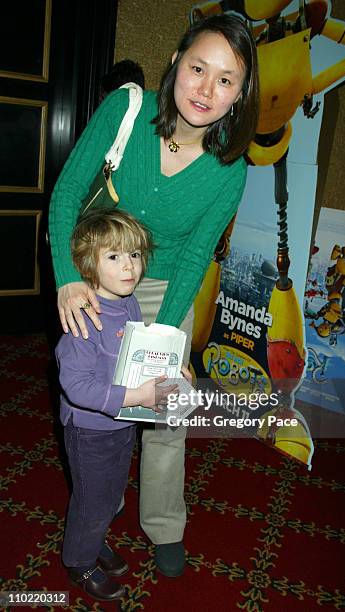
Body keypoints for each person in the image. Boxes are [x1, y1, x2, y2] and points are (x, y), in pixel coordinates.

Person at [49, 14, 259, 578]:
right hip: (94, 276)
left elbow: (194, 256)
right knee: (96, 396)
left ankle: (164, 524)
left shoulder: (229, 168)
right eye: (198, 69)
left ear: (240, 95)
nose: (206, 90)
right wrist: (68, 276)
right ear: (175, 64)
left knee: (166, 413)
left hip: (166, 285)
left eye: (225, 80)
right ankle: (100, 504)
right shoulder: (127, 110)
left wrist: (162, 340)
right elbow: (68, 190)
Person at [56, 209, 181, 601]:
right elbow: (76, 385)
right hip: (90, 429)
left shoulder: (128, 303)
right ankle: (79, 560)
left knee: (110, 495)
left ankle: (93, 539)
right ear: (86, 265)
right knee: (92, 499)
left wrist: (174, 372)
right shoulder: (84, 315)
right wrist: (135, 397)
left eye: (135, 255)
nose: (129, 266)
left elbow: (136, 354)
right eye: (114, 257)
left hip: (122, 423)